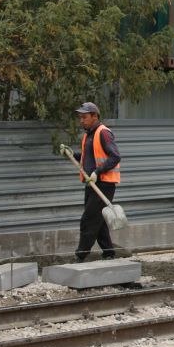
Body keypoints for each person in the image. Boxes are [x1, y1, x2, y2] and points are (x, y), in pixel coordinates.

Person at [71, 102, 121, 261]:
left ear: (95, 116)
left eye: (85, 117)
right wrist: (73, 154)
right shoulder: (88, 135)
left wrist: (97, 172)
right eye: (80, 117)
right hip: (91, 184)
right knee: (98, 221)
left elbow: (115, 157)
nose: (81, 120)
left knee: (89, 219)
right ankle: (109, 253)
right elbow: (88, 158)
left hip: (104, 184)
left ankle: (80, 256)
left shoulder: (103, 133)